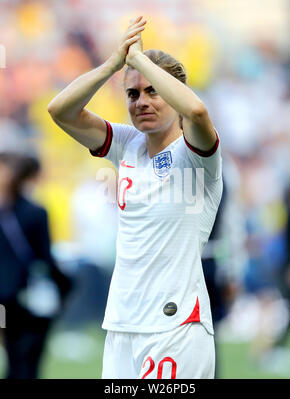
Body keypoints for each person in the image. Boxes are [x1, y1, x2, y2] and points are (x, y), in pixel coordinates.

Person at [48, 16, 223, 379]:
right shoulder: (127, 145)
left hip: (175, 325)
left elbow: (196, 111)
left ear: (174, 93)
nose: (141, 101)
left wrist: (140, 61)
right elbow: (60, 111)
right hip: (123, 324)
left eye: (152, 91)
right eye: (132, 93)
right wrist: (115, 63)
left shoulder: (197, 154)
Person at [0, 152, 72, 378]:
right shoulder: (35, 212)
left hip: (7, 298)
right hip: (30, 297)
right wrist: (66, 286)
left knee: (14, 358)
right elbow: (45, 259)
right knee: (29, 361)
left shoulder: (20, 212)